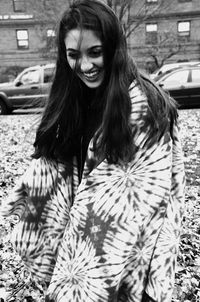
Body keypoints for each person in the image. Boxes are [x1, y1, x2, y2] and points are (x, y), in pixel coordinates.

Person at [0, 0, 185, 301]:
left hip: (126, 250)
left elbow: (137, 203)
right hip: (81, 248)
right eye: (73, 55)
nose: (85, 66)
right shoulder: (76, 100)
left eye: (95, 52)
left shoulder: (144, 109)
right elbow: (57, 168)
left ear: (114, 48)